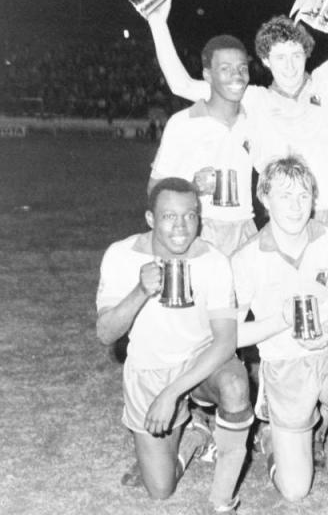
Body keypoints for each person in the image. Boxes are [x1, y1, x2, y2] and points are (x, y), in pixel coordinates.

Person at [144, 0, 328, 234]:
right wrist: (157, 23)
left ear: (307, 54)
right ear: (265, 60)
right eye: (280, 57)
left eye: (296, 55)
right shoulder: (253, 99)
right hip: (295, 225)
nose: (290, 66)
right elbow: (181, 85)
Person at [95, 178, 252, 513]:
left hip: (200, 363)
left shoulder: (213, 260)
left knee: (236, 384)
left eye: (190, 216)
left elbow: (226, 342)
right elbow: (106, 334)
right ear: (151, 218)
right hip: (149, 369)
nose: (181, 226)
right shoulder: (121, 255)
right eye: (169, 216)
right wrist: (140, 290)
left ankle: (222, 499)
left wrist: (172, 394)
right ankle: (195, 434)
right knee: (161, 490)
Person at [231, 156, 328, 510]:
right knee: (294, 490)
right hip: (284, 363)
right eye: (285, 195)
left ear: (314, 198)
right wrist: (279, 322)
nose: (296, 206)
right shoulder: (245, 258)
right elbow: (231, 336)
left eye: (304, 195)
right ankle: (271, 441)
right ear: (265, 198)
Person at [148, 34, 259, 257]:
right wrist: (192, 188)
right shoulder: (182, 123)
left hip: (246, 230)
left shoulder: (255, 119)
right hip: (200, 231)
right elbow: (153, 190)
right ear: (208, 75)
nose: (236, 76)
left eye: (242, 68)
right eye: (225, 69)